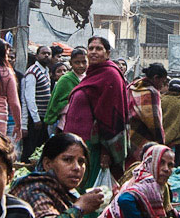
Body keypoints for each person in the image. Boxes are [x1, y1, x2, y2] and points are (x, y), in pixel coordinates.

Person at [60, 34, 134, 190]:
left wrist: (106, 151)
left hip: (91, 147)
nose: (94, 52)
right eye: (91, 48)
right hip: (76, 144)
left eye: (99, 49)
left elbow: (111, 117)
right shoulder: (92, 74)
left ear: (107, 54)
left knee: (87, 190)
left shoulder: (111, 75)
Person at [91, 142, 180, 218]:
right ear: (151, 162)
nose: (166, 169)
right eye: (161, 162)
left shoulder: (154, 183)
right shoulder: (147, 182)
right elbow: (124, 200)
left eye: (170, 165)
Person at [19, 46, 53, 154]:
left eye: (49, 53)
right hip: (34, 120)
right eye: (43, 53)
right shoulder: (32, 72)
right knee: (30, 149)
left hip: (43, 118)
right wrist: (36, 118)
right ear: (37, 56)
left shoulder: (46, 71)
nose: (46, 55)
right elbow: (29, 98)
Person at [47, 45, 85, 127]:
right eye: (77, 62)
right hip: (66, 122)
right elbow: (56, 102)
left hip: (84, 122)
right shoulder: (65, 79)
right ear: (71, 63)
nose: (81, 65)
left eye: (84, 62)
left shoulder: (89, 78)